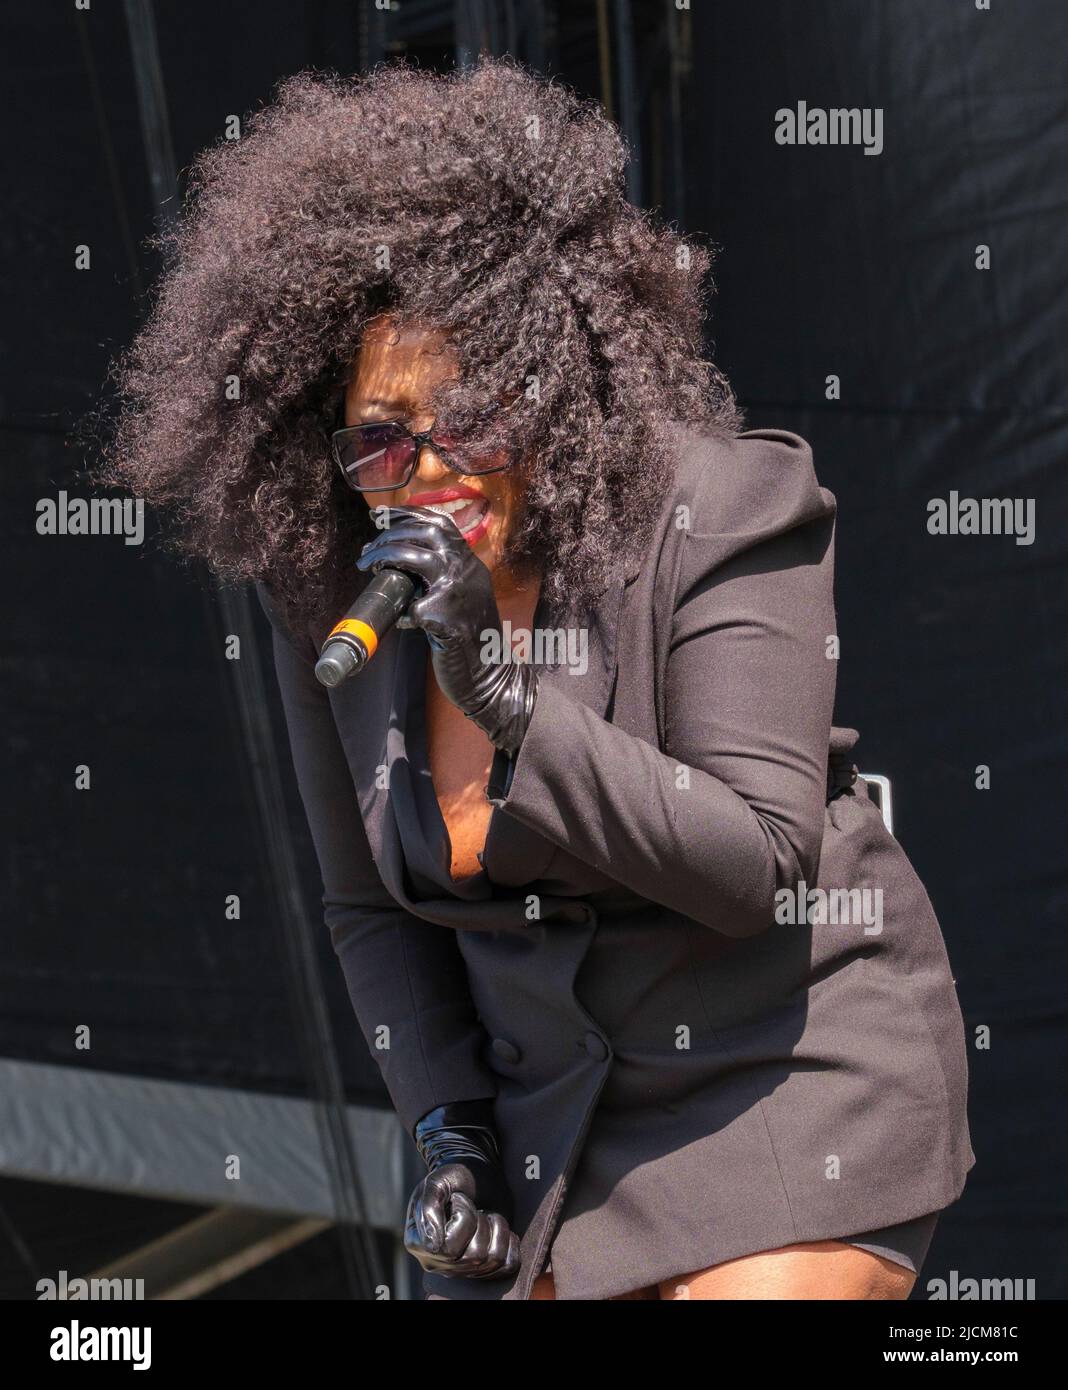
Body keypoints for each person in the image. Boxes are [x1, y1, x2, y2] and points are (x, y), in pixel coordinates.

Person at [97, 57, 974, 1300]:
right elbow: (370, 915)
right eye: (383, 437)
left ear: (558, 391)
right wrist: (450, 1134)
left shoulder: (719, 505)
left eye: (476, 415)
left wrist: (505, 699)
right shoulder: (335, 596)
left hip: (781, 1081)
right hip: (549, 1137)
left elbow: (759, 863)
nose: (430, 465)